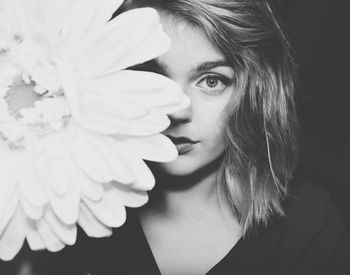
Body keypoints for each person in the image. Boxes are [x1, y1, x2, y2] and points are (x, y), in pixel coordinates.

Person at [1, 0, 349, 274]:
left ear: (253, 94)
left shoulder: (310, 228)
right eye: (153, 79)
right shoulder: (57, 223)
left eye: (212, 81)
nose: (177, 109)